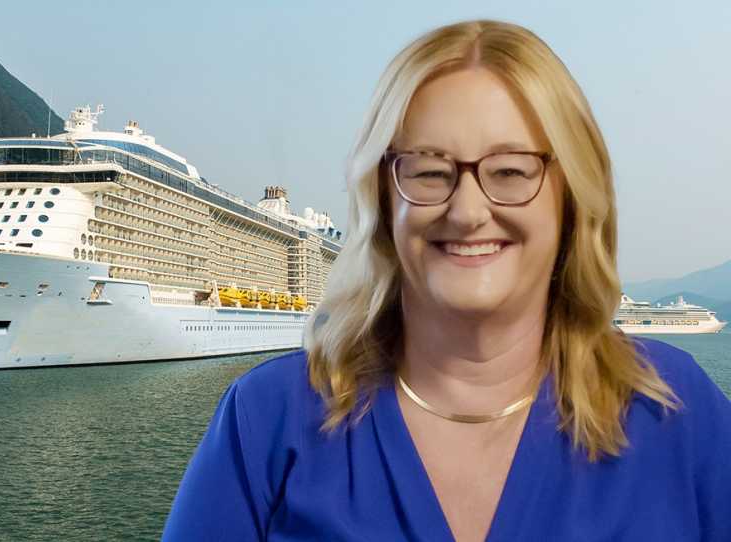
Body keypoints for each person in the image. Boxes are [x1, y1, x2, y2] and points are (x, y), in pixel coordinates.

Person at [162, 20, 731, 541]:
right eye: (430, 172)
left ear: (572, 197)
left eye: (510, 171)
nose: (467, 211)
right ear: (383, 198)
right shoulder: (267, 420)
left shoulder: (673, 408)